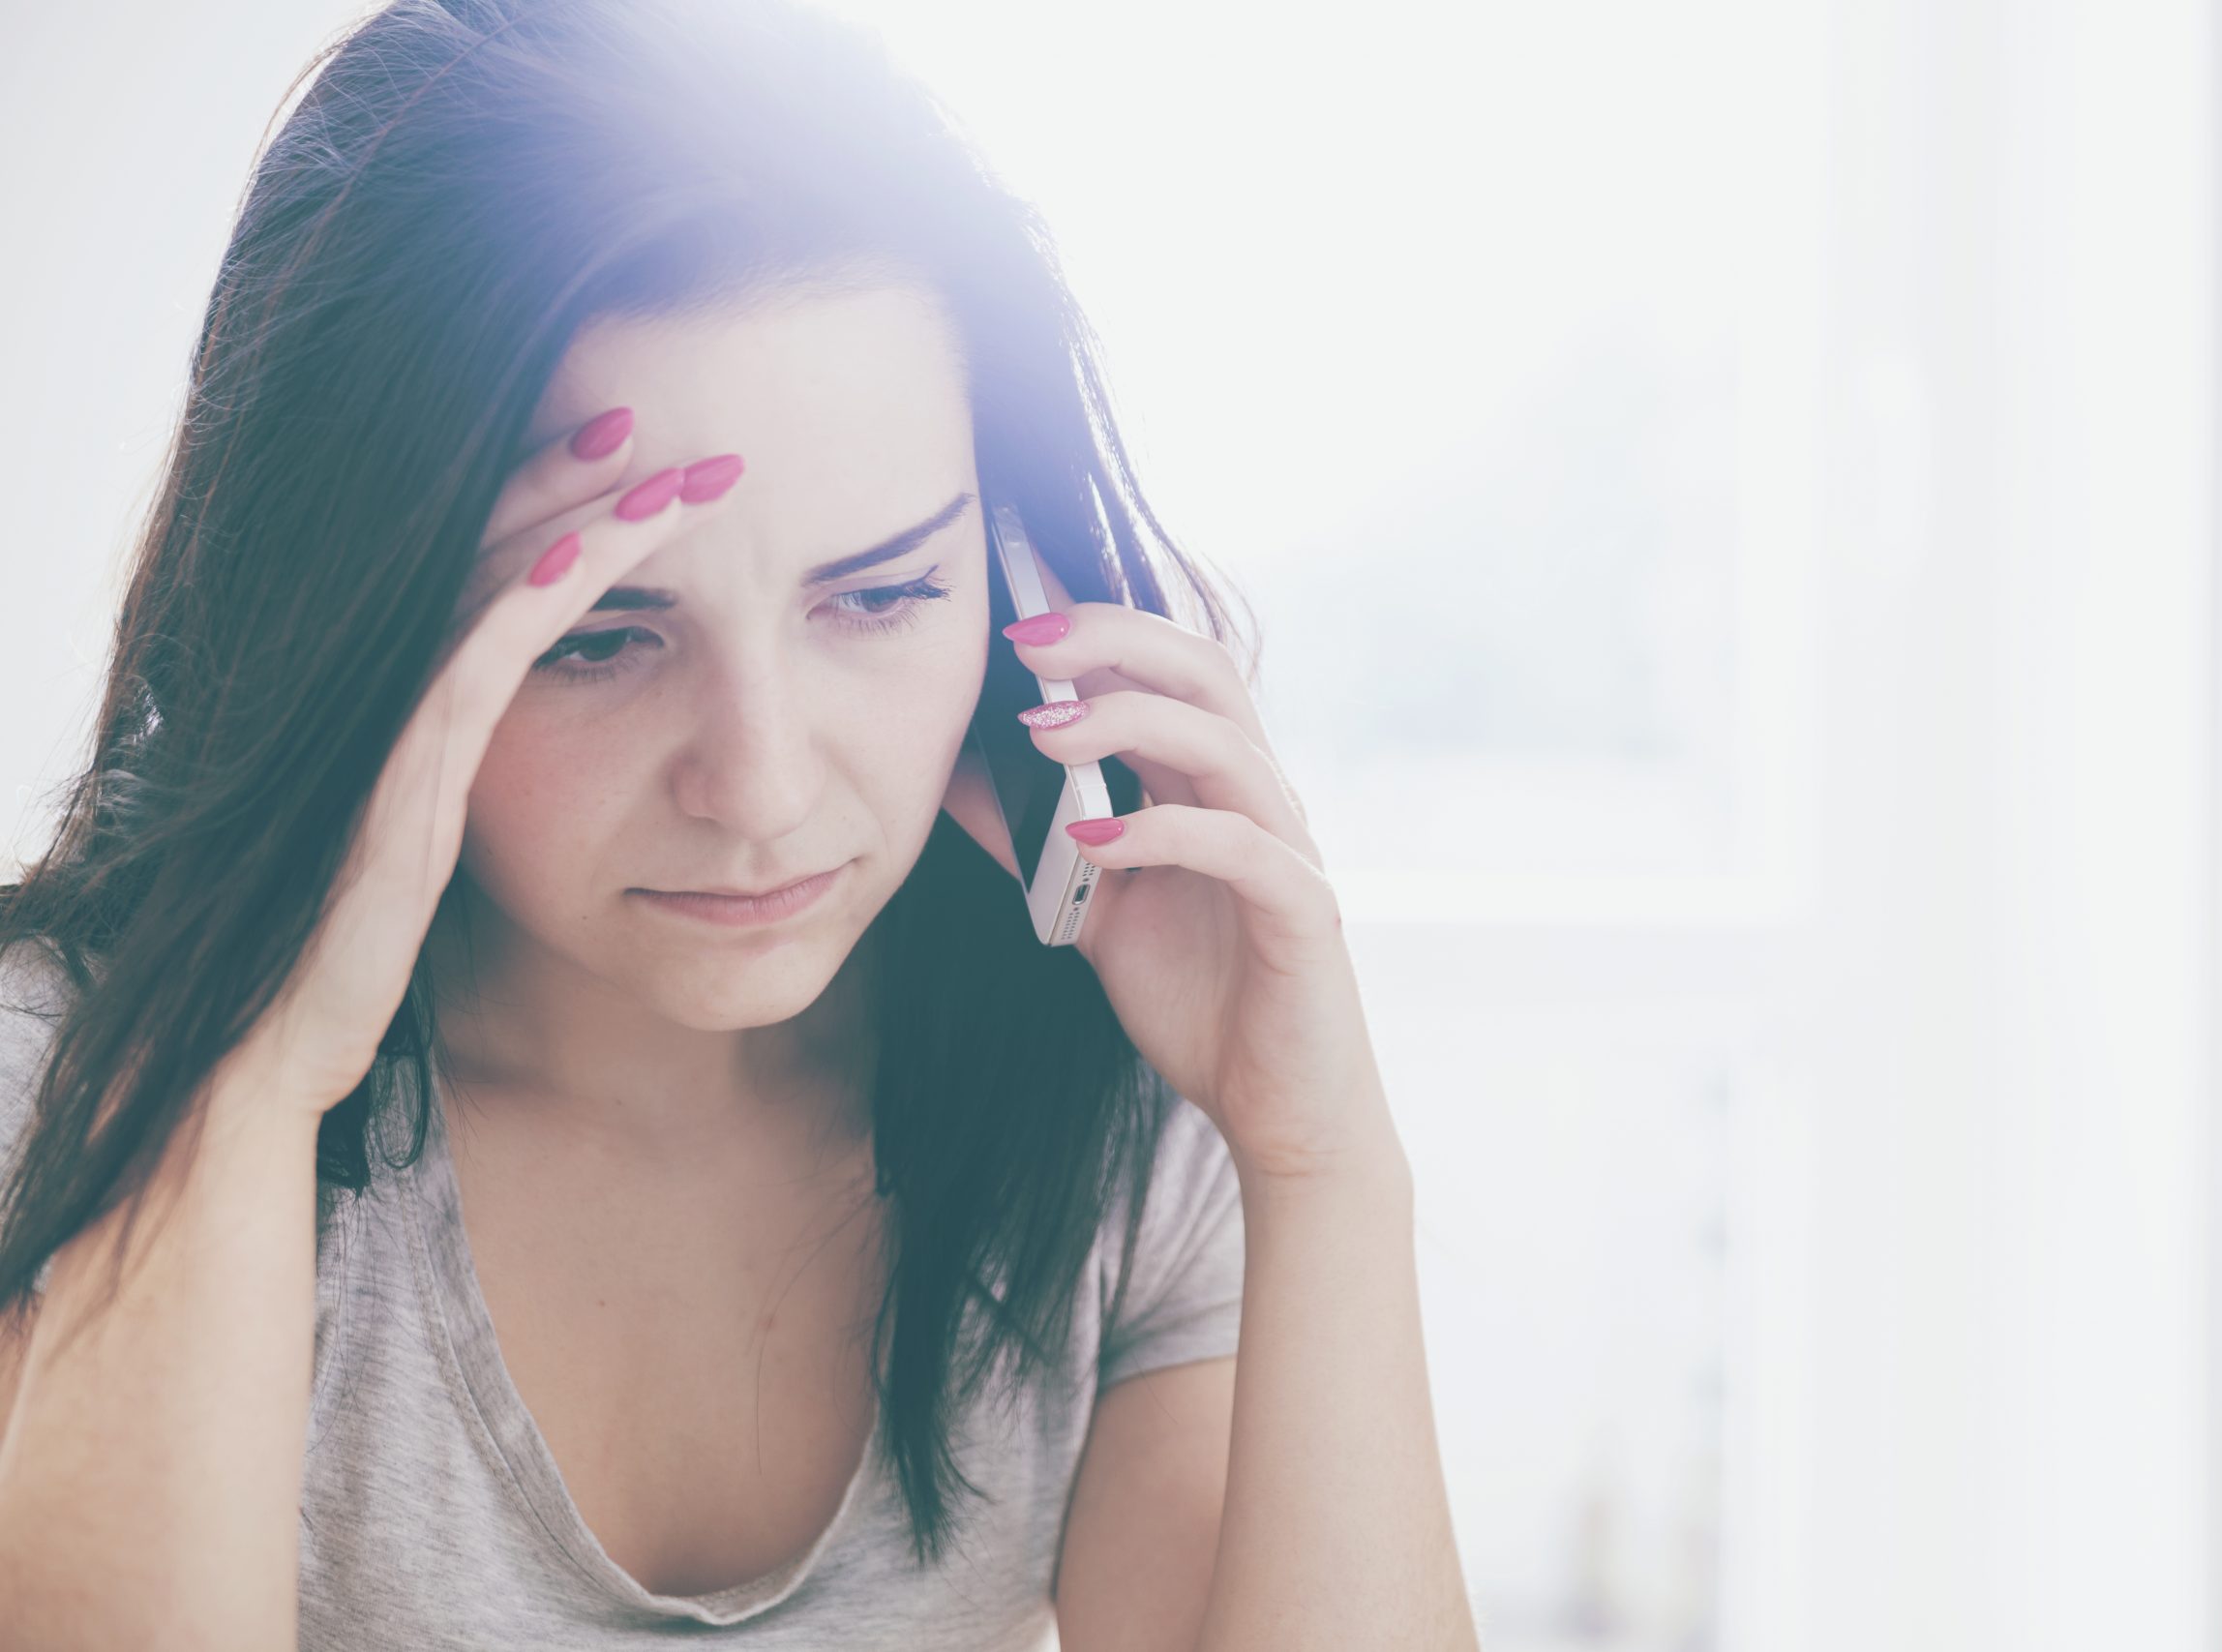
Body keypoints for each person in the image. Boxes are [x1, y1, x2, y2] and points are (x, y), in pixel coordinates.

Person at [0, 2, 1477, 1648]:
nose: (763, 787)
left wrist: (1324, 1165)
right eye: (599, 637)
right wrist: (246, 1087)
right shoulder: (48, 1093)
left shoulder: (1111, 1112)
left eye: (886, 592)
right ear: (351, 622)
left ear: (1011, 587)